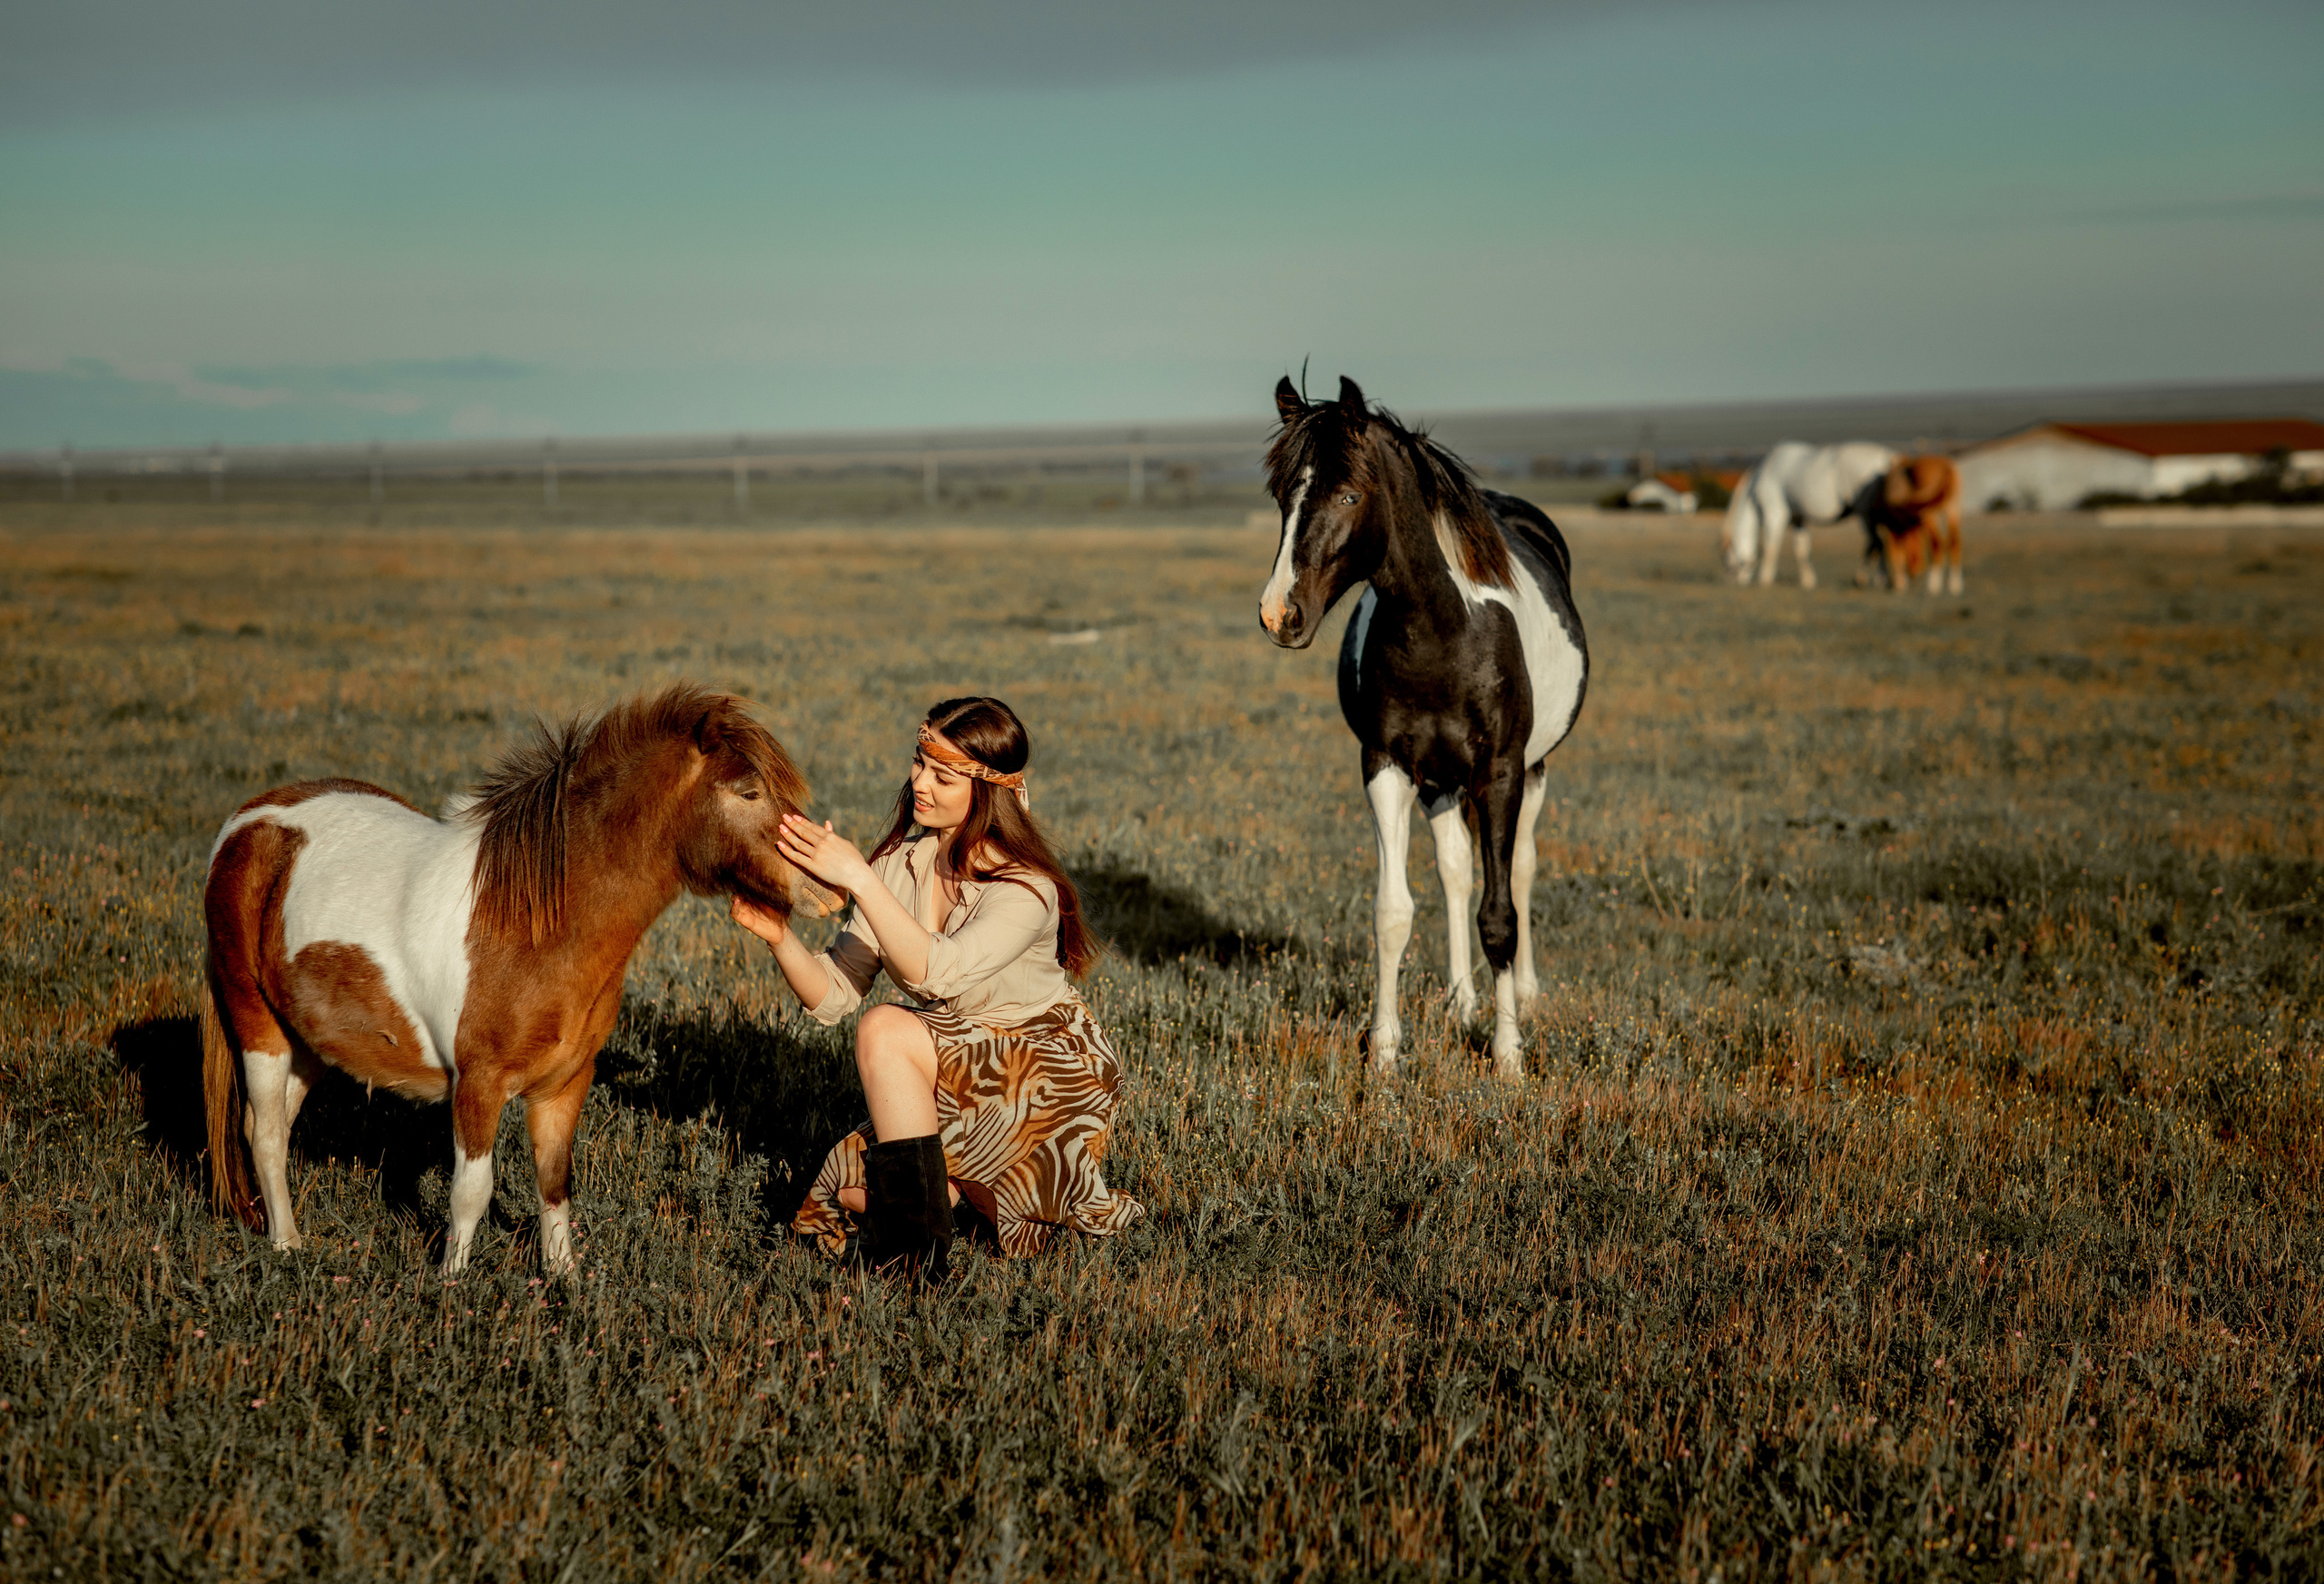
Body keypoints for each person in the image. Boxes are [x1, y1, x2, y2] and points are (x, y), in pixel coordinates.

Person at [730, 696, 1141, 1279]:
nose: (919, 783)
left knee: (886, 1031)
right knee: (845, 1189)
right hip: (958, 1065)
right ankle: (946, 1203)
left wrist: (857, 878)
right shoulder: (902, 864)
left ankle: (914, 1260)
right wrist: (777, 936)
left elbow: (936, 971)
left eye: (943, 775)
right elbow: (833, 994)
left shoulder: (1027, 888)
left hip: (1042, 1072)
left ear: (987, 790)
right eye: (919, 763)